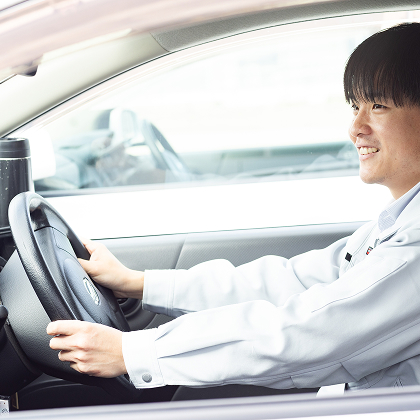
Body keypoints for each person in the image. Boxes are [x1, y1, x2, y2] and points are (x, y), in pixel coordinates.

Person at [47, 22, 420, 392]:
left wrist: (134, 353)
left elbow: (313, 333)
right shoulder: (397, 221)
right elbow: (292, 282)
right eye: (355, 107)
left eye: (378, 106)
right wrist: (140, 284)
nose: (355, 128)